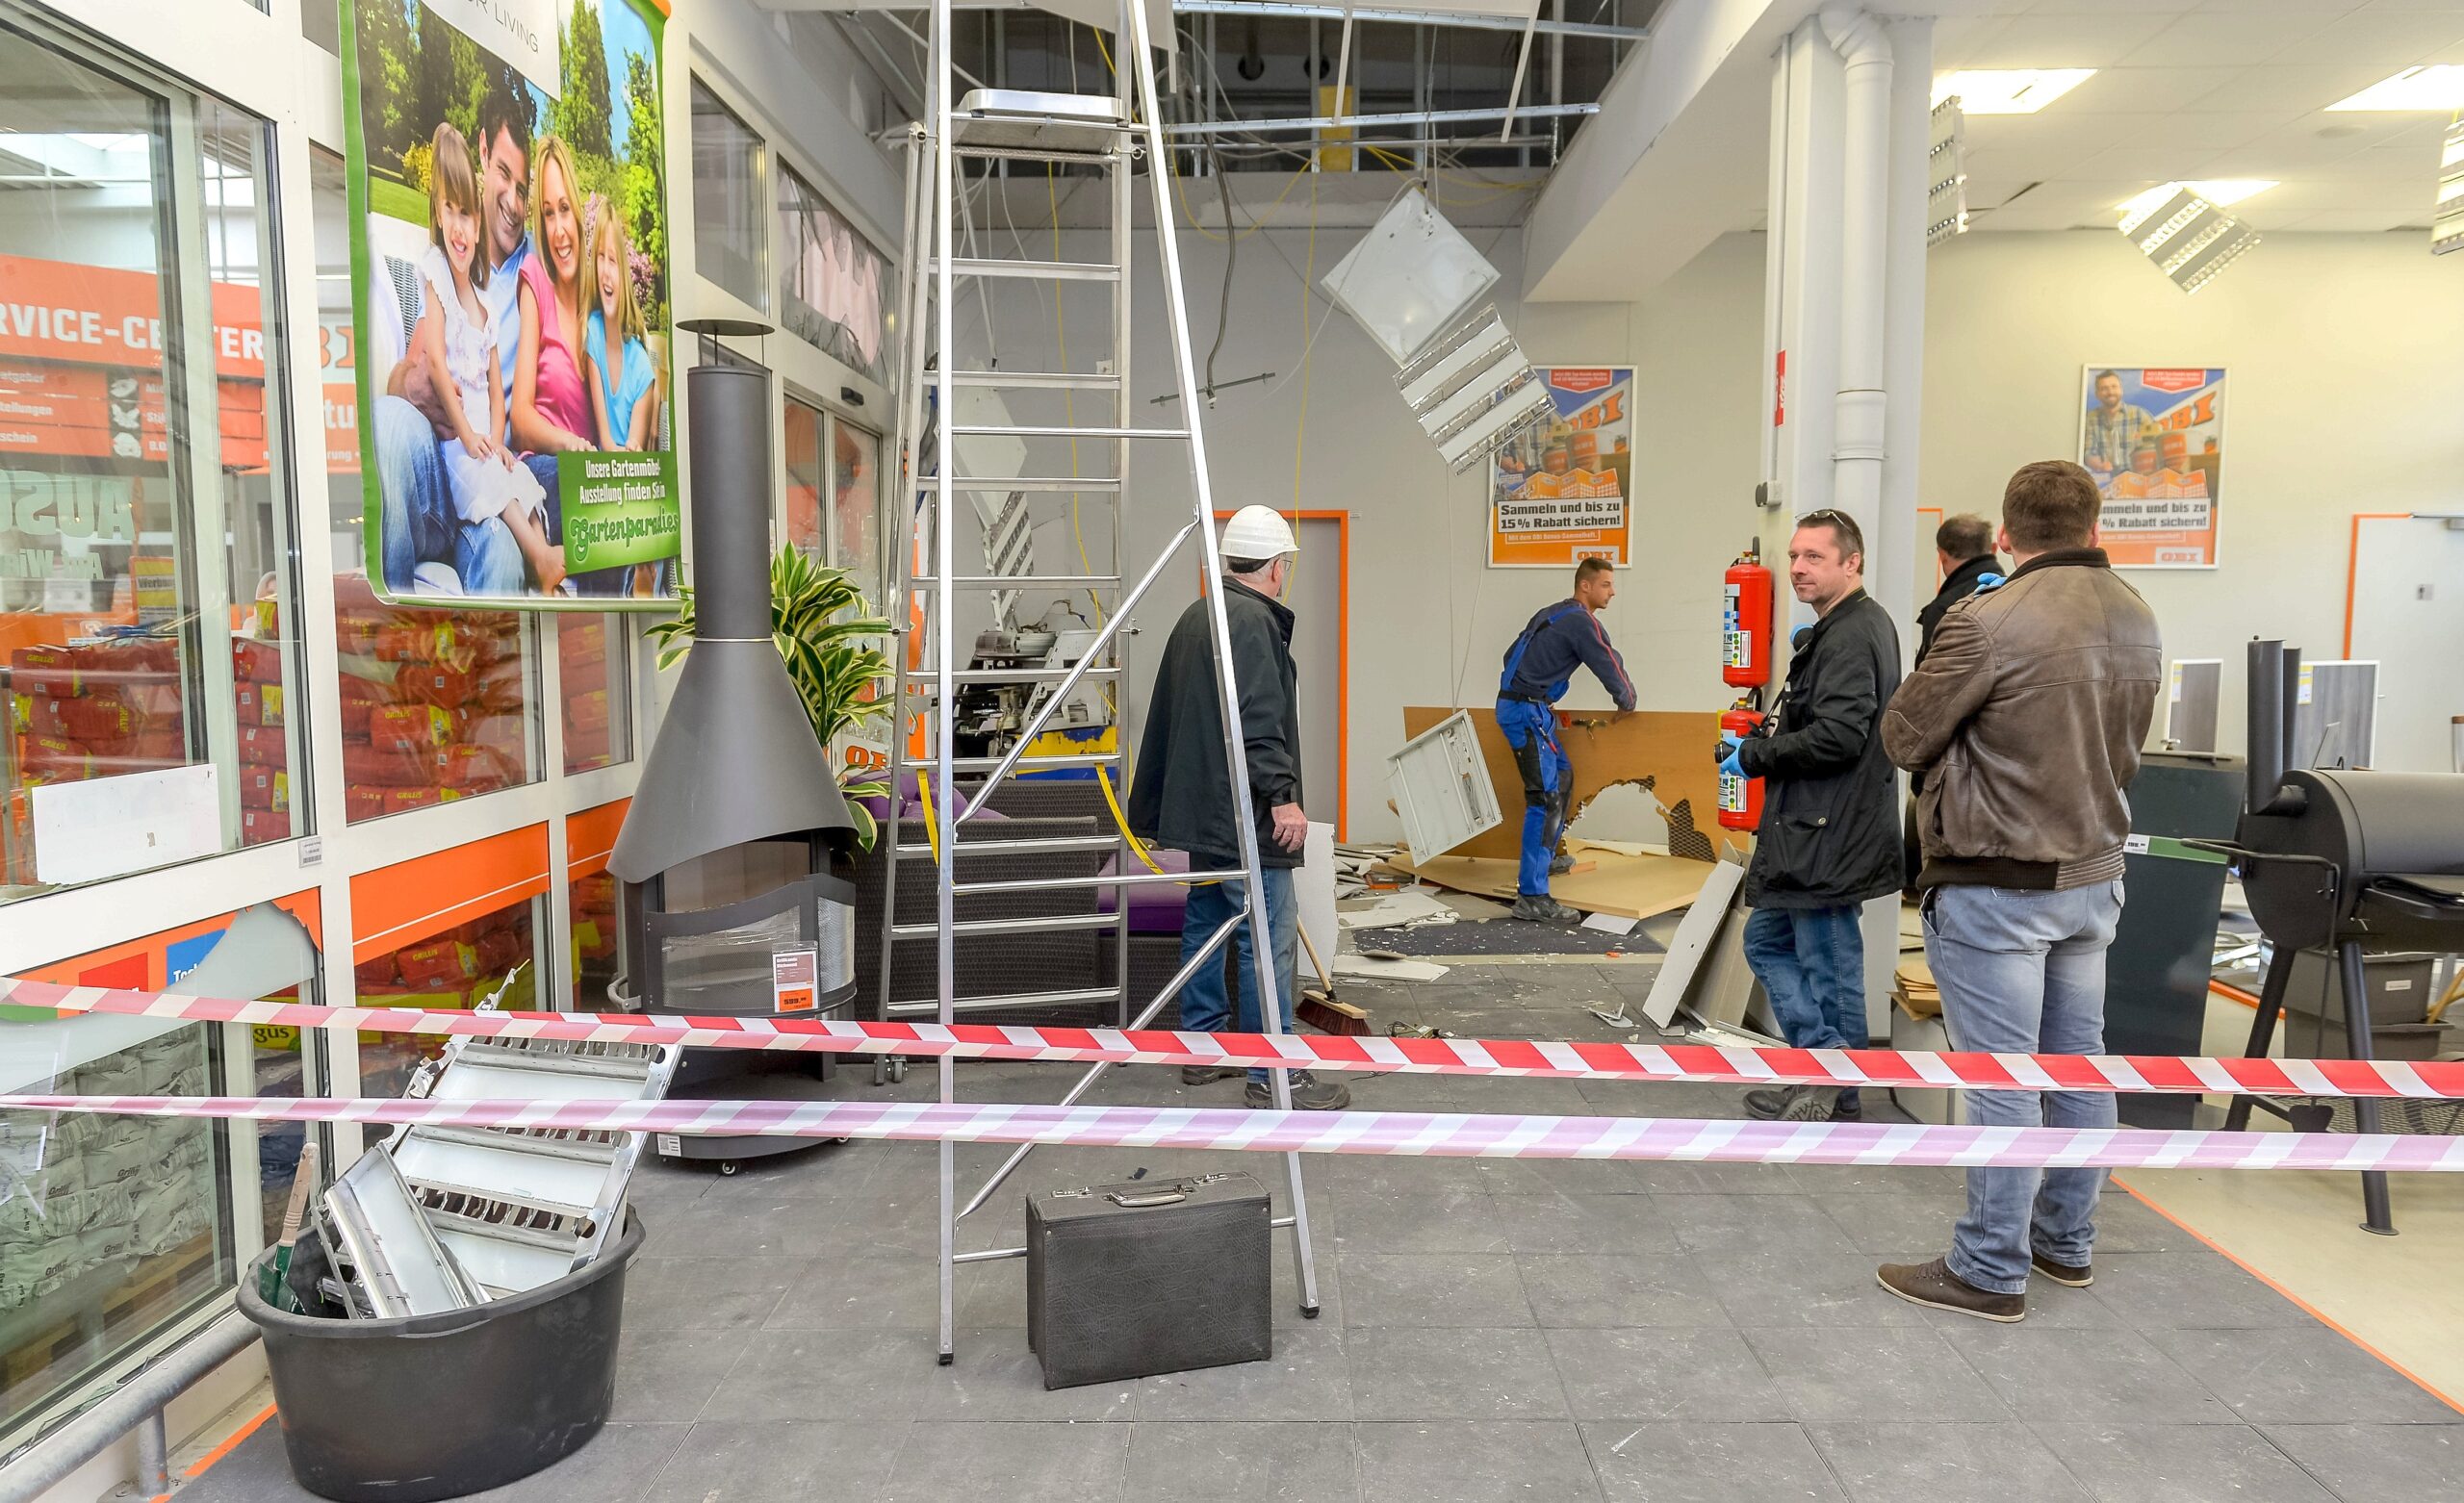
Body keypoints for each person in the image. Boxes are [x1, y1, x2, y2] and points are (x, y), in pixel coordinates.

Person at [1876, 460, 2161, 1323]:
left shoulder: (1987, 620)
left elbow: (1901, 734)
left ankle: (1989, 1269)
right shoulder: (2140, 616)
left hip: (1999, 883)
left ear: (2006, 536)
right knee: (2079, 1068)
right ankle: (2063, 1244)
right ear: (2094, 527)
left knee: (2003, 1081)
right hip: (2094, 880)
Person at [1127, 505, 1348, 1111]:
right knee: (1265, 937)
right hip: (1245, 814)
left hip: (1205, 814)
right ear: (1277, 567)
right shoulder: (1250, 622)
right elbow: (1257, 718)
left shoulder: (1199, 615)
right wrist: (1284, 797)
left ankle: (1202, 1049)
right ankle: (1269, 1071)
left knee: (1206, 919)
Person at [1725, 510, 1903, 1121]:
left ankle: (1836, 1086)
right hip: (1815, 831)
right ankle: (1822, 1066)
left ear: (1851, 563)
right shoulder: (1840, 627)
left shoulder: (1852, 633)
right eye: (1796, 556)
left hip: (1829, 836)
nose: (1798, 567)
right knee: (1767, 940)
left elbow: (1840, 737)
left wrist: (1756, 754)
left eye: (1814, 558)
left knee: (1830, 970)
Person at [372, 86, 555, 596]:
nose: (512, 204)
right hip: (445, 462)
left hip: (495, 461)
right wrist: (417, 385)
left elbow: (509, 396)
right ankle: (397, 613)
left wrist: (496, 441)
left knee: (507, 531)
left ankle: (501, 660)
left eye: (524, 190)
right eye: (503, 175)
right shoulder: (437, 281)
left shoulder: (530, 280)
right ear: (482, 156)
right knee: (389, 420)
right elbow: (415, 370)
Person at [1496, 557, 1635, 923]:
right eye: (1606, 584)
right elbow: (1608, 662)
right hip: (1525, 713)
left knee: (1564, 775)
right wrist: (1627, 701)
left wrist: (1543, 689)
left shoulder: (1553, 613)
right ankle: (1532, 895)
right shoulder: (1581, 621)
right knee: (1543, 799)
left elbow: (1510, 656)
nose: (1613, 591)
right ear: (1585, 586)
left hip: (1528, 709)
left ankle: (1548, 857)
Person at [1905, 514, 2004, 889]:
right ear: (1994, 548)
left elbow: (1929, 706)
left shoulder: (1946, 610)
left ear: (1942, 555)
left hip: (1953, 788)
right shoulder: (2021, 599)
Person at [583, 205, 654, 451]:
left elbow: (635, 443)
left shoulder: (642, 369)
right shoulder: (592, 332)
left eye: (612, 260)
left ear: (624, 272)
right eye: (600, 257)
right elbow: (606, 441)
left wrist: (633, 449)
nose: (605, 271)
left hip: (628, 481)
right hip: (599, 476)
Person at [2081, 369, 2152, 475]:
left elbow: (2154, 447)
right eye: (2104, 388)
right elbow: (2088, 452)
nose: (2110, 392)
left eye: (2114, 387)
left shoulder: (2140, 415)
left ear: (2121, 390)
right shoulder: (2090, 419)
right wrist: (2099, 465)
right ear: (2097, 394)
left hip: (2139, 479)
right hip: (2107, 482)